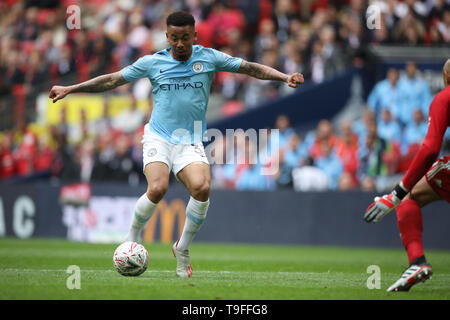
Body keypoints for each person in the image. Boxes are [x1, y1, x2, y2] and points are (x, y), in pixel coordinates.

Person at [48, 11, 304, 278]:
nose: (180, 44)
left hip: (190, 138)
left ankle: (182, 248)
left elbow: (250, 68)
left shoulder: (209, 58)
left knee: (202, 188)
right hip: (158, 136)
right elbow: (112, 79)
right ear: (167, 37)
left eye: (185, 38)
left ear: (194, 35)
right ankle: (131, 237)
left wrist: (284, 77)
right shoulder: (152, 62)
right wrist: (70, 88)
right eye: (174, 38)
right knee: (157, 187)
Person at [363, 59, 450, 292]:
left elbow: (431, 148)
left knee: (409, 198)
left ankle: (417, 262)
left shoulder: (444, 97)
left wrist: (396, 193)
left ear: (446, 76)